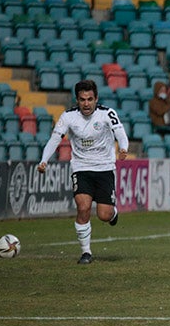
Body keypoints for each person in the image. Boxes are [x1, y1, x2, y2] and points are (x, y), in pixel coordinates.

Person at [38, 79, 130, 265]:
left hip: (104, 168)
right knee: (83, 207)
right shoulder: (68, 117)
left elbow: (120, 133)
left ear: (96, 99)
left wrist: (123, 148)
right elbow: (55, 139)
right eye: (82, 100)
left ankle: (113, 214)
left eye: (89, 99)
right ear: (77, 100)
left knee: (104, 215)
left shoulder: (107, 114)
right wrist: (44, 160)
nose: (86, 104)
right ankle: (86, 252)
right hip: (81, 168)